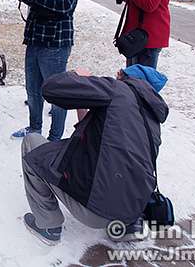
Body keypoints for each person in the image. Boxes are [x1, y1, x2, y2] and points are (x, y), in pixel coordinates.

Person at [20, 65, 169, 245]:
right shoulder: (150, 116)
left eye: (118, 74)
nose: (115, 76)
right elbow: (98, 140)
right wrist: (83, 107)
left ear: (126, 77)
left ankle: (48, 225)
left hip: (94, 211)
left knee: (32, 143)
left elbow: (51, 88)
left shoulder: (119, 89)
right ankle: (128, 226)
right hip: (132, 208)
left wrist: (78, 76)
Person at [11, 0, 81, 142]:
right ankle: (34, 128)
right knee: (32, 90)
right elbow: (38, 0)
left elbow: (64, 4)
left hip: (55, 43)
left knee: (56, 94)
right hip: (34, 39)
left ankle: (55, 138)